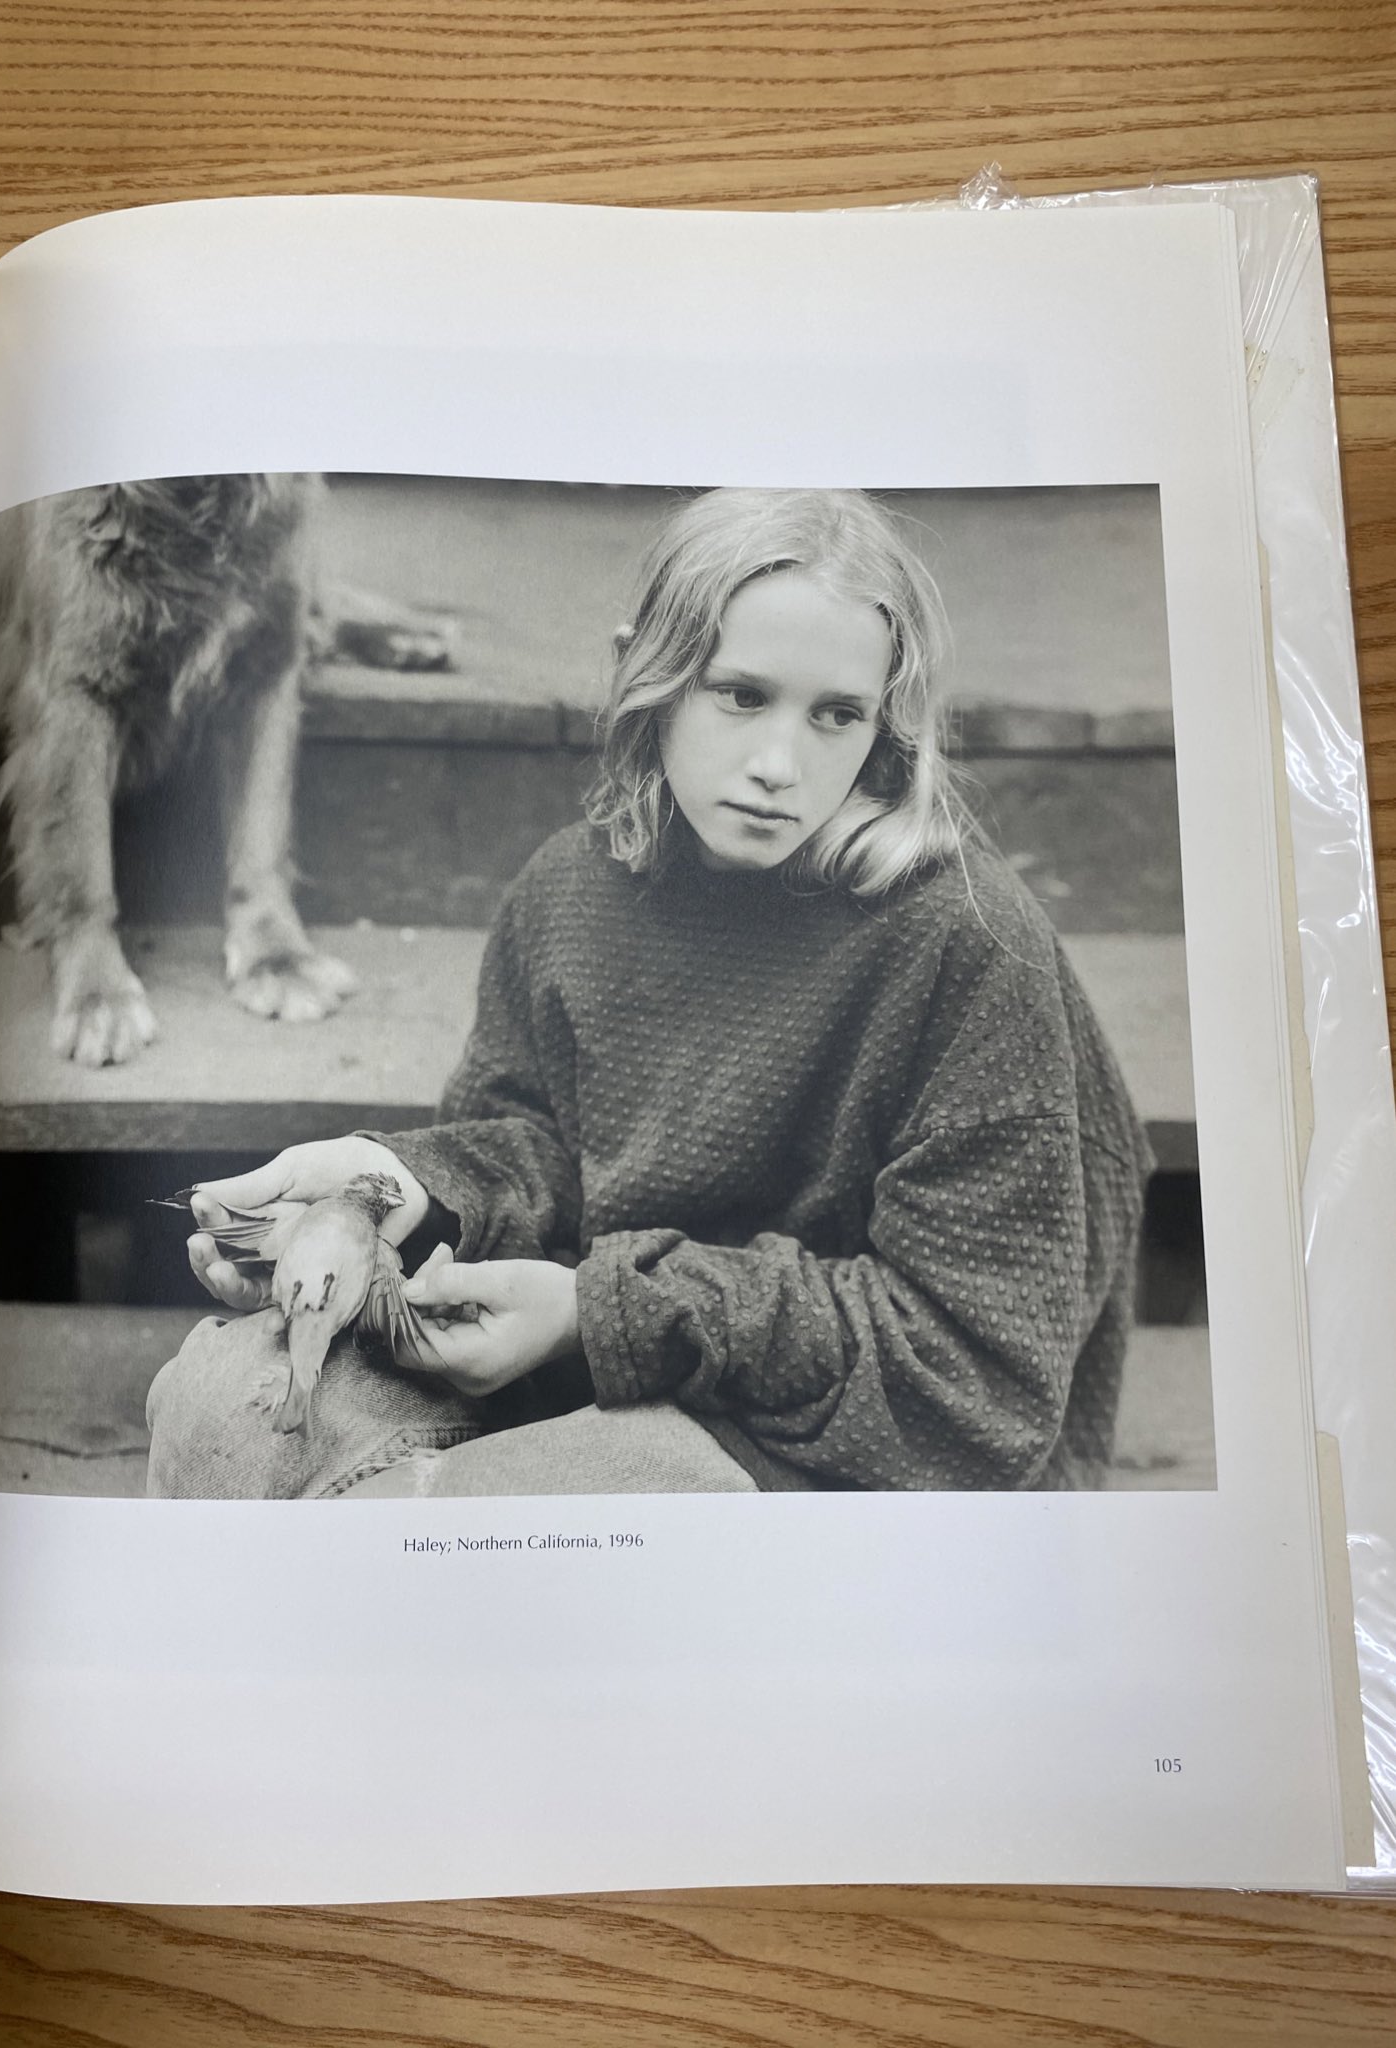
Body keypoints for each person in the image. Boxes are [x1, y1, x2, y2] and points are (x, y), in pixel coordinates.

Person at [145, 488, 1153, 1499]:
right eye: (740, 694)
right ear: (650, 670)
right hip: (600, 1354)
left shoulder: (967, 945)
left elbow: (974, 1377)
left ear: (887, 722)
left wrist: (602, 1312)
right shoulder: (569, 891)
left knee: (471, 1514)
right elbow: (538, 1150)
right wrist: (397, 1191)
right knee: (218, 1405)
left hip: (837, 1438)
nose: (776, 765)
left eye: (835, 714)